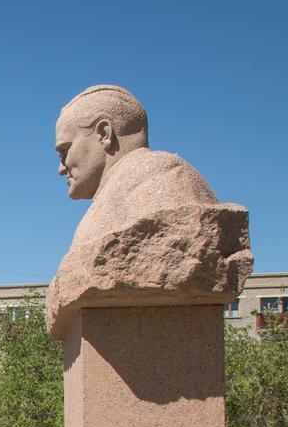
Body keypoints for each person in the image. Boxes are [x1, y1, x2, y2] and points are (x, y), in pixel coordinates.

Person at [47, 84, 250, 339]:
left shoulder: (166, 181)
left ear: (103, 133)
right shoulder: (112, 198)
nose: (61, 168)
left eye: (64, 151)